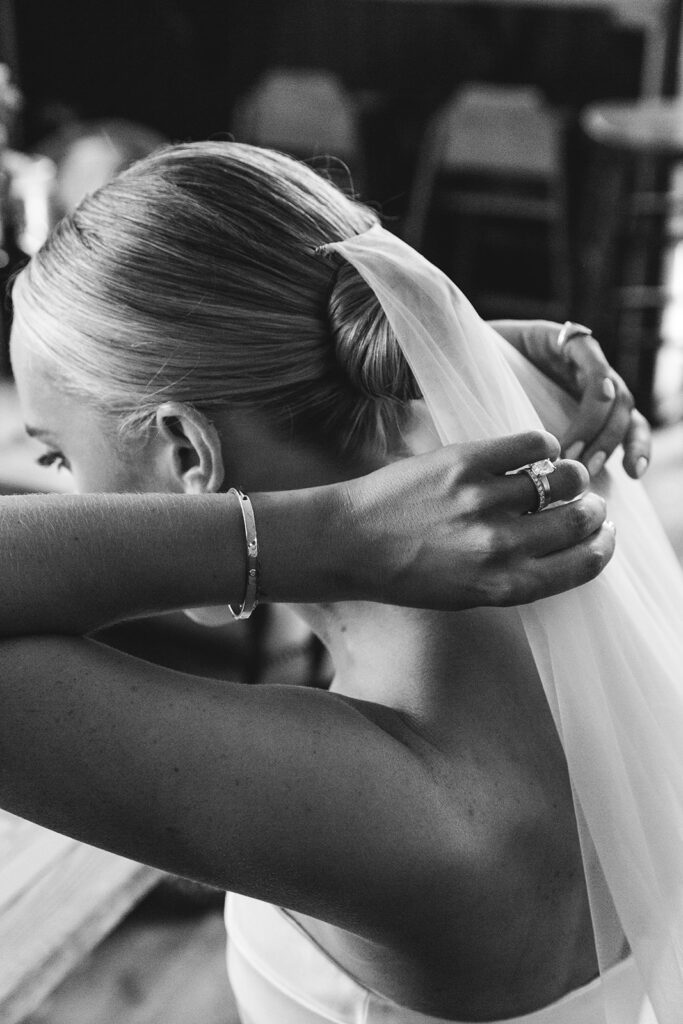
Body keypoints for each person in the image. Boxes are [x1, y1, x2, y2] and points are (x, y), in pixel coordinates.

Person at [1, 141, 678, 1023]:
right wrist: (457, 359)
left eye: (57, 454)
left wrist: (330, 531)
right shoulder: (577, 597)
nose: (68, 493)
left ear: (185, 451)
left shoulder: (402, 803)